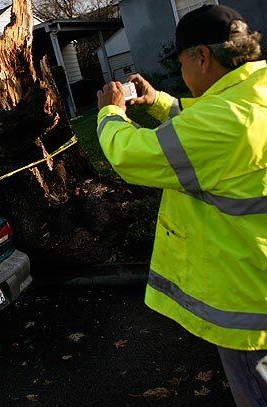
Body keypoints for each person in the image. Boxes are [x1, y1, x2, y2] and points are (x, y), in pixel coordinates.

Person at [95, 5, 266, 406]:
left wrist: (110, 112)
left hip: (249, 302)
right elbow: (203, 121)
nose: (183, 69)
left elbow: (131, 154)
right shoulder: (252, 96)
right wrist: (157, 102)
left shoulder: (225, 120)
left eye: (183, 59)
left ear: (201, 56)